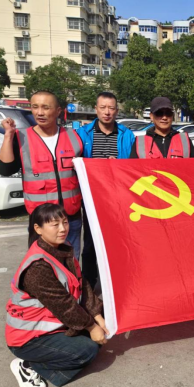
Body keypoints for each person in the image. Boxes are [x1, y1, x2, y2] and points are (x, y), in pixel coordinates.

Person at [6, 203, 108, 387]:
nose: (63, 229)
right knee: (87, 350)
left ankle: (63, 347)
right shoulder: (37, 267)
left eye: (65, 222)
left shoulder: (63, 248)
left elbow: (82, 284)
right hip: (29, 338)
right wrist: (92, 327)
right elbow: (64, 305)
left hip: (55, 325)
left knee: (104, 324)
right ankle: (28, 365)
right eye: (55, 224)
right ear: (38, 229)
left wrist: (97, 315)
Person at [0, 91, 83, 259]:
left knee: (72, 263)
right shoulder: (21, 137)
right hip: (42, 220)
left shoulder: (74, 137)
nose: (40, 112)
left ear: (58, 111)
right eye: (35, 107)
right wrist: (8, 135)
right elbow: (6, 169)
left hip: (70, 218)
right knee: (43, 265)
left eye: (46, 107)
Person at [76, 92, 135, 288]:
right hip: (92, 198)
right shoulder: (82, 134)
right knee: (90, 243)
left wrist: (117, 166)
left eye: (111, 108)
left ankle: (119, 284)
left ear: (117, 111)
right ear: (96, 109)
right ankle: (89, 285)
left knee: (118, 242)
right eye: (103, 108)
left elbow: (132, 167)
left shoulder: (127, 135)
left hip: (118, 199)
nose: (107, 112)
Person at [130, 97, 194, 158]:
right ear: (151, 116)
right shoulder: (140, 143)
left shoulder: (184, 140)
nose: (164, 117)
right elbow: (132, 167)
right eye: (159, 113)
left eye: (168, 113)